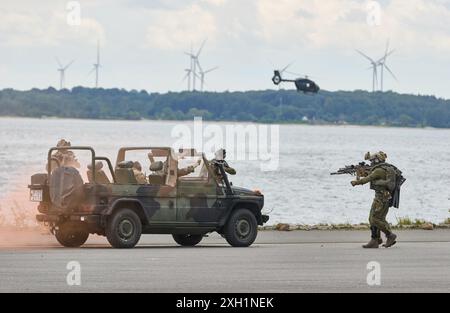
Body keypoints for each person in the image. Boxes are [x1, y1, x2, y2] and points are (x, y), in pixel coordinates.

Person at [351, 151, 398, 249]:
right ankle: (375, 240)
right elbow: (370, 175)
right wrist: (361, 172)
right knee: (373, 218)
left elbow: (368, 178)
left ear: (377, 160)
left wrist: (356, 182)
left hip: (381, 198)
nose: (371, 163)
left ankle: (389, 235)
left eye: (372, 160)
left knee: (375, 219)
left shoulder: (378, 170)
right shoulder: (383, 168)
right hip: (382, 197)